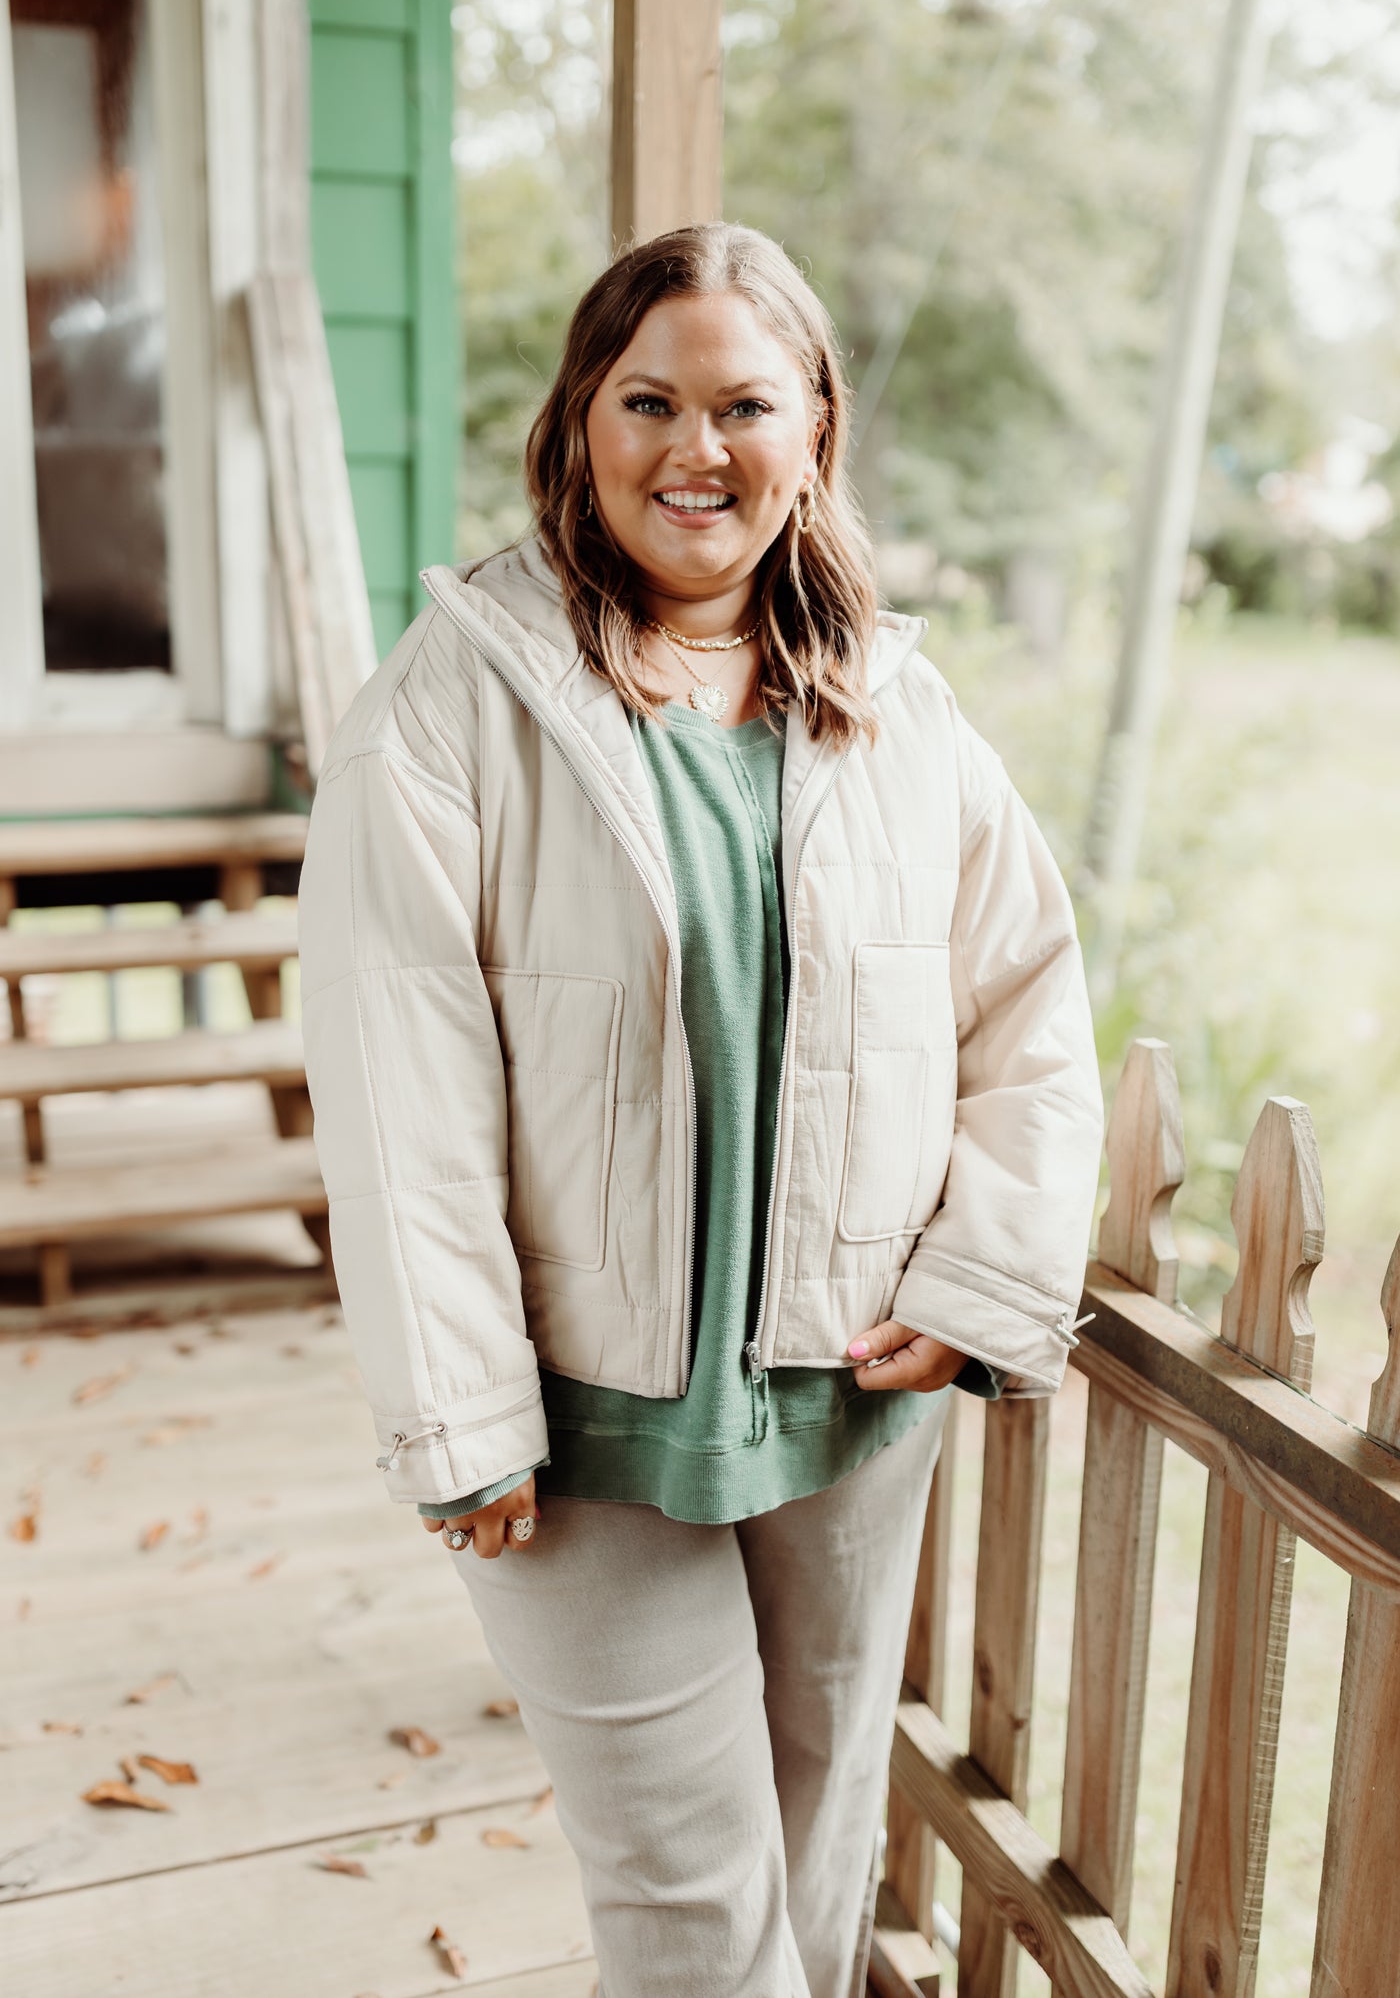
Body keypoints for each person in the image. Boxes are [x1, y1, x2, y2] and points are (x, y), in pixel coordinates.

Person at [296, 221, 1103, 1998]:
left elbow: (1030, 1012)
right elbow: (394, 1083)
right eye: (647, 399)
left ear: (815, 423)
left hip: (847, 1390)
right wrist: (458, 1409)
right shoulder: (451, 710)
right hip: (584, 1426)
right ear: (581, 420)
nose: (696, 449)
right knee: (689, 1919)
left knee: (812, 1879)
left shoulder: (898, 709)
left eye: (743, 403)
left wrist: (978, 1285)